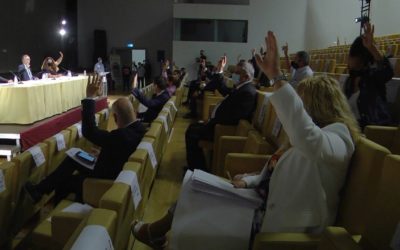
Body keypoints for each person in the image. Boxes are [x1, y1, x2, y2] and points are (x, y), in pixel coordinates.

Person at [131, 31, 360, 249]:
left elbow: (307, 138)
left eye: (302, 103)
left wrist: (276, 78)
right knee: (194, 186)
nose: (299, 110)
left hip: (281, 227)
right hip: (257, 204)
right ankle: (156, 233)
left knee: (196, 207)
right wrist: (249, 181)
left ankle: (157, 234)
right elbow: (272, 175)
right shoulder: (307, 136)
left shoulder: (339, 138)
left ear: (318, 106)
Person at [25, 75, 146, 204]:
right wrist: (106, 152)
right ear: (134, 111)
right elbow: (120, 150)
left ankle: (51, 207)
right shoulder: (141, 129)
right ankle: (40, 191)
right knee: (74, 158)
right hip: (115, 168)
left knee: (67, 176)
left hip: (106, 177)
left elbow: (89, 131)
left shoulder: (120, 136)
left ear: (115, 118)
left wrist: (89, 97)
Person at [185, 56, 257, 171]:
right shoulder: (242, 88)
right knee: (192, 128)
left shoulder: (248, 92)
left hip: (222, 128)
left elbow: (236, 118)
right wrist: (220, 71)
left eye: (237, 73)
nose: (235, 75)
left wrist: (212, 121)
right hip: (216, 123)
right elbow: (224, 90)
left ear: (246, 76)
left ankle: (197, 168)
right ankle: (196, 166)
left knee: (192, 133)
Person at [343, 22, 394, 128]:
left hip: (373, 130)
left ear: (361, 57)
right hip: (354, 130)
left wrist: (371, 48)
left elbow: (388, 72)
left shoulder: (372, 77)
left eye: (351, 56)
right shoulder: (350, 80)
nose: (347, 59)